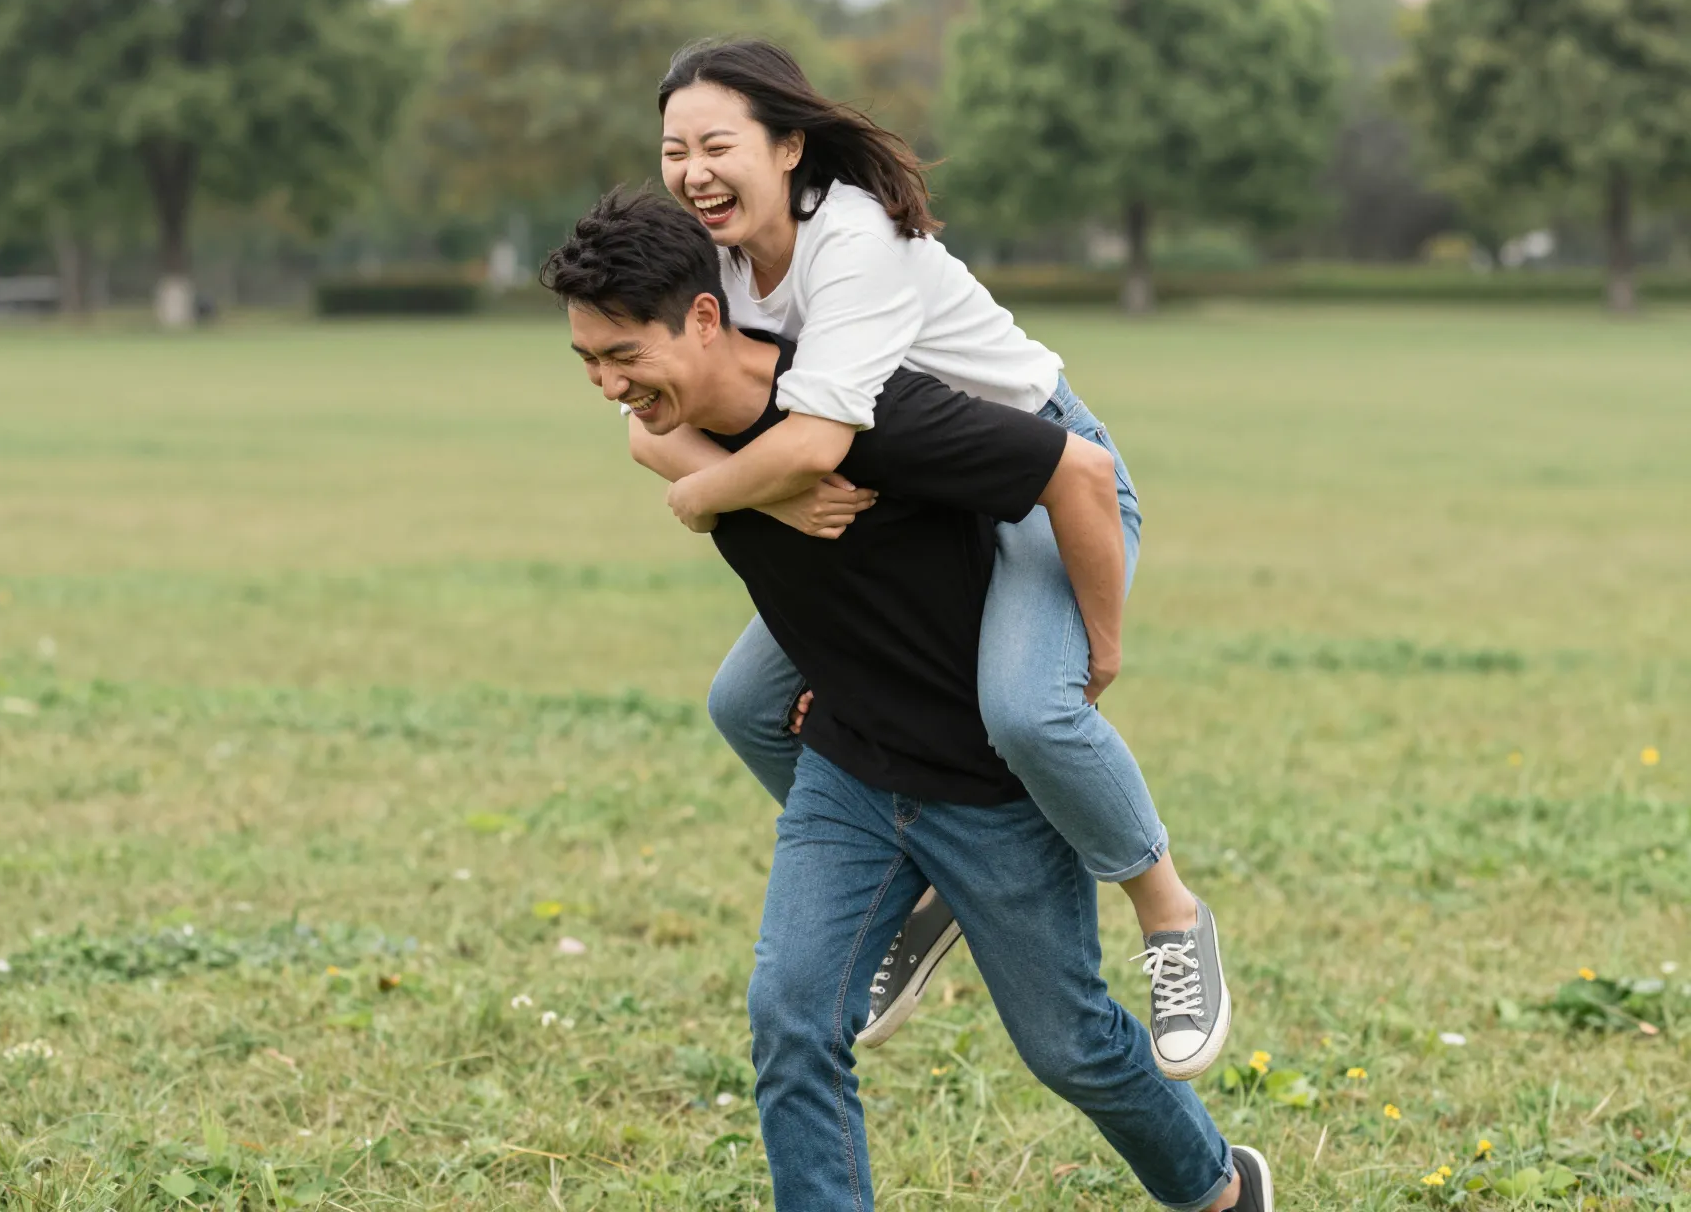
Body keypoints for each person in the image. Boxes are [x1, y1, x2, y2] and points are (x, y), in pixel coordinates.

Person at [544, 187, 1273, 1212]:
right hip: (847, 773)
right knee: (792, 1020)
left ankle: (1220, 1189)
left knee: (1071, 1048)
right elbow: (651, 441)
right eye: (588, 361)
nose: (611, 386)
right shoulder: (677, 424)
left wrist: (1098, 648)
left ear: (705, 317)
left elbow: (1079, 471)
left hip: (987, 790)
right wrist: (736, 489)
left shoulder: (869, 410)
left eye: (624, 356)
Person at [626, 37, 1227, 1075]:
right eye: (675, 151)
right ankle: (920, 880)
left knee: (1029, 710)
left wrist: (706, 497)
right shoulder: (707, 262)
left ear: (788, 146)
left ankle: (1169, 912)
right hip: (915, 511)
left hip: (1043, 480)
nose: (693, 173)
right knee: (745, 704)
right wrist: (755, 493)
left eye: (717, 145)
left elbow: (811, 447)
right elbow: (648, 421)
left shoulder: (851, 239)